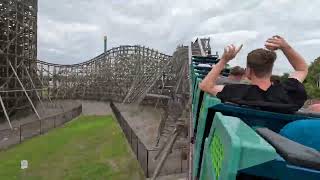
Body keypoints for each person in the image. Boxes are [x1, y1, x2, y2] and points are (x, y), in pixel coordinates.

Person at [199, 35, 308, 113]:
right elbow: (301, 69)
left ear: (248, 71)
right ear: (270, 70)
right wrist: (285, 47)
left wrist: (224, 60)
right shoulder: (289, 94)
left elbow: (205, 86)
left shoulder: (237, 92)